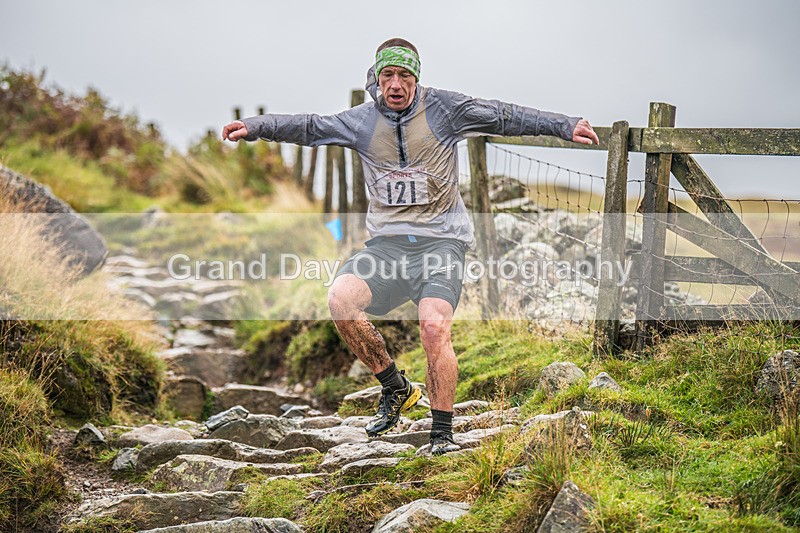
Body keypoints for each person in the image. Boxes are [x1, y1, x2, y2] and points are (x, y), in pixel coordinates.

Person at [222, 38, 598, 455]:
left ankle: (441, 434)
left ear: (416, 78)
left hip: (441, 244)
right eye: (388, 76)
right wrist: (258, 127)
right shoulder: (361, 121)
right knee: (341, 300)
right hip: (387, 247)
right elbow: (310, 127)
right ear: (377, 79)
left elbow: (504, 115)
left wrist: (565, 125)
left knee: (434, 326)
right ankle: (394, 386)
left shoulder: (445, 110)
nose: (396, 84)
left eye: (404, 76)